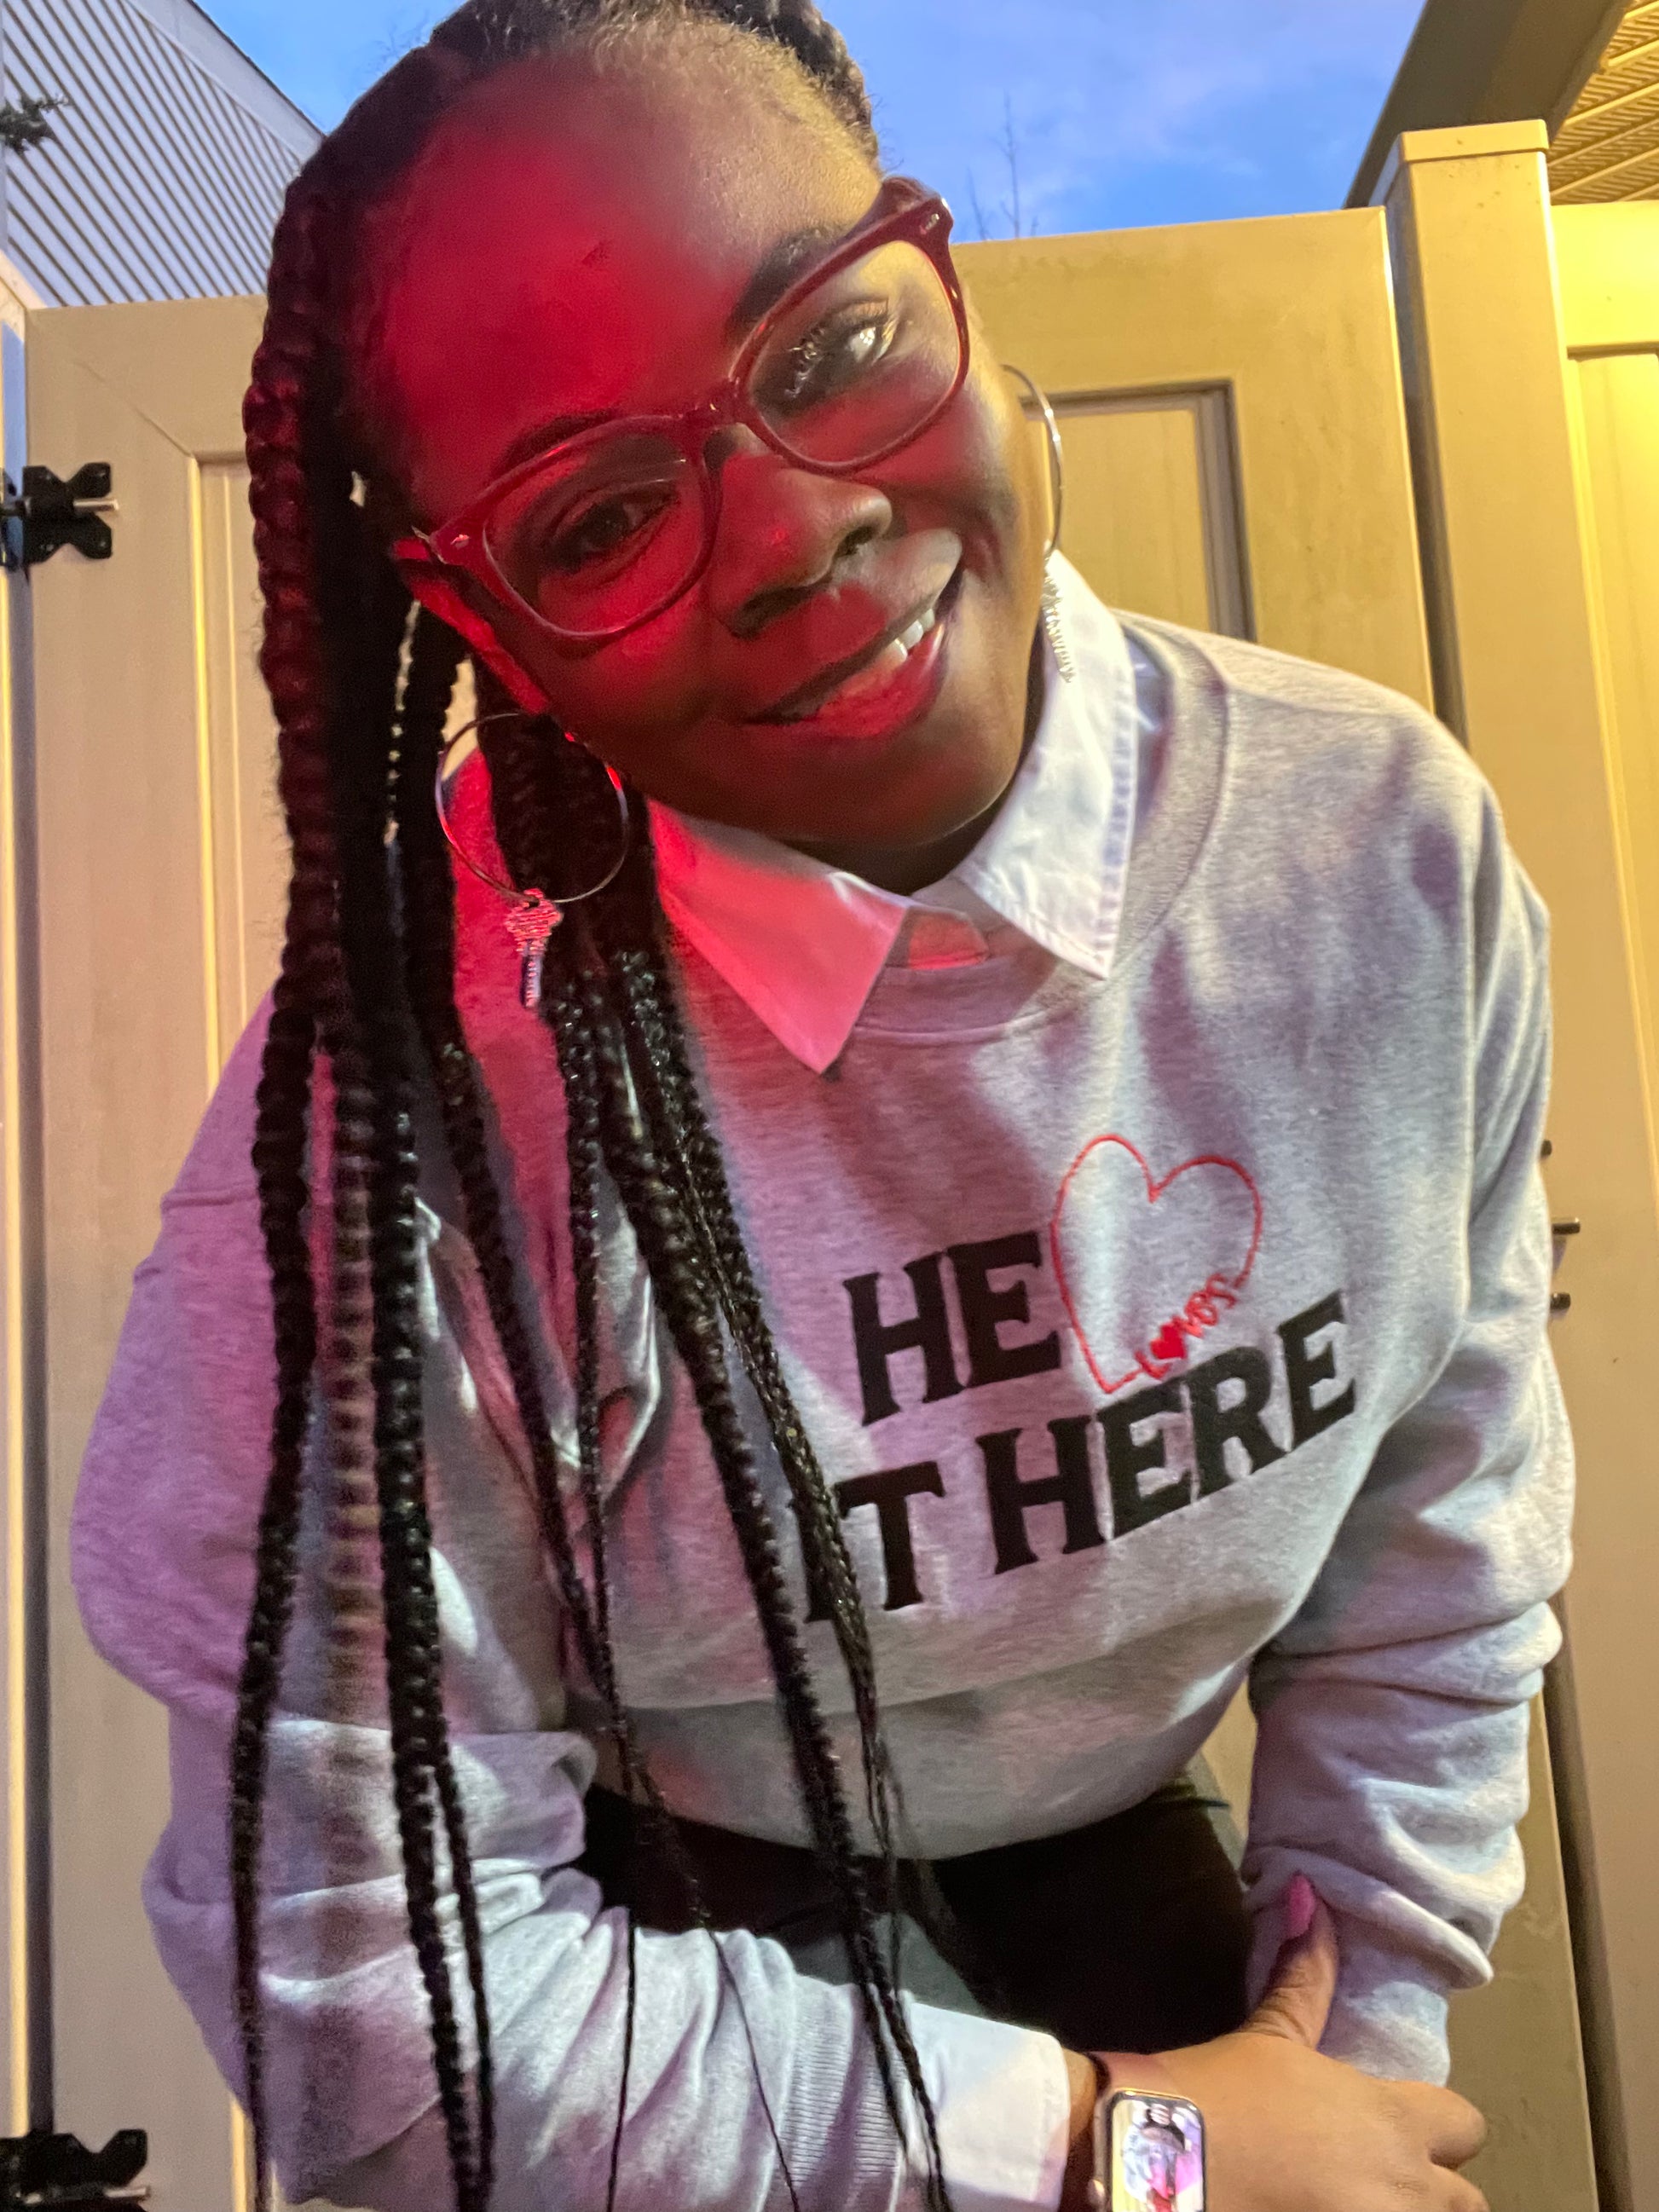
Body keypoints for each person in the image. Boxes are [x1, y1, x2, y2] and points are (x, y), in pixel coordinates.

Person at [70, 3, 1569, 2209]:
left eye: (834, 340)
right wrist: (1126, 2158)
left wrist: (1343, 2073)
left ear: (944, 275)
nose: (791, 527)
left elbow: (1435, 1551)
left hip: (1155, 1907)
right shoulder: (404, 1124)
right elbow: (371, 2009)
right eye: (596, 517)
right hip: (650, 1991)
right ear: (482, 621)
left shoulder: (1373, 854)